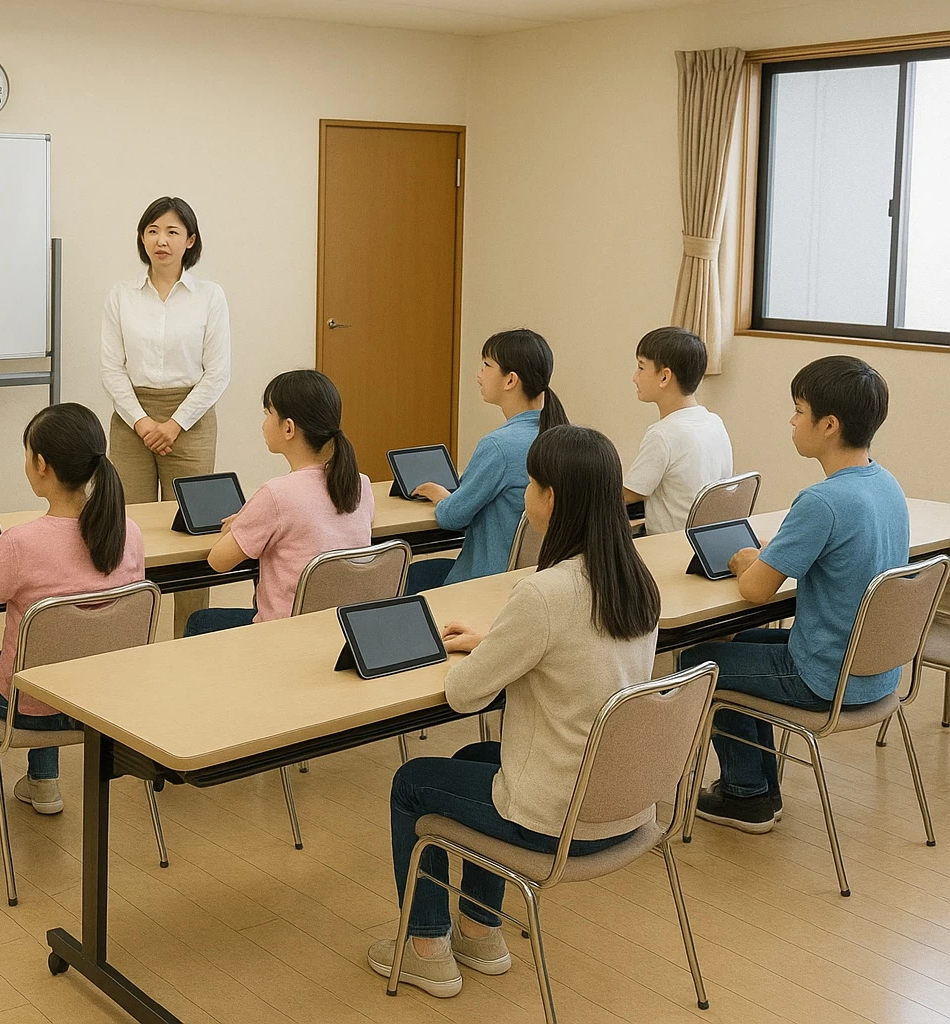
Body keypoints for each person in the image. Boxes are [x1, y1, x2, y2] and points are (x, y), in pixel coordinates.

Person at [370, 425, 660, 998]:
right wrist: (498, 642)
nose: (527, 493)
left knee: (411, 782)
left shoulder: (546, 594)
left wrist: (485, 652)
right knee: (481, 755)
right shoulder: (634, 580)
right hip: (620, 802)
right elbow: (576, 653)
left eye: (530, 483)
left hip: (557, 814)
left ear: (551, 497)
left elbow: (464, 696)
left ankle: (425, 946)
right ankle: (480, 931)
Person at [679, 355, 906, 835]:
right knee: (741, 648)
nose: (791, 420)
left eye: (798, 410)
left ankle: (747, 797)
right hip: (875, 671)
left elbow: (756, 590)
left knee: (699, 662)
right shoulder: (886, 485)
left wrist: (746, 560)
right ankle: (758, 788)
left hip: (824, 676)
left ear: (828, 425)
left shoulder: (822, 501)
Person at [0, 403, 144, 814]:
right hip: (99, 700)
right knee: (56, 659)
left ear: (40, 464)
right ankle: (43, 783)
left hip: (32, 707)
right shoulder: (128, 532)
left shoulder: (21, 543)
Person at [100, 196, 230, 634]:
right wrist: (141, 421)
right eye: (153, 230)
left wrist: (174, 424)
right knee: (128, 530)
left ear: (190, 241)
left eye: (173, 232)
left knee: (193, 531)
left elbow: (217, 373)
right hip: (130, 416)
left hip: (190, 419)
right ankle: (128, 631)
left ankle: (190, 633)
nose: (162, 240)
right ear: (142, 237)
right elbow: (110, 368)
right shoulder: (121, 295)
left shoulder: (210, 296)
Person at [184, 369, 374, 635]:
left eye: (267, 414)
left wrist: (246, 524)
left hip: (284, 636)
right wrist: (255, 522)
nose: (263, 424)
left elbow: (218, 562)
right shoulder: (360, 484)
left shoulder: (276, 495)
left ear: (288, 428)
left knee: (200, 621)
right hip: (342, 629)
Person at [404, 329, 567, 592]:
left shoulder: (499, 447)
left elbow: (453, 517)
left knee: (407, 576)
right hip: (534, 580)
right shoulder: (559, 434)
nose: (479, 375)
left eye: (486, 366)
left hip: (484, 582)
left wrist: (441, 496)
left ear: (510, 380)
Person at [622, 326, 733, 535]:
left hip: (668, 544)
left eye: (641, 367)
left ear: (664, 377)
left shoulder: (662, 435)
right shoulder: (714, 422)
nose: (634, 377)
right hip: (704, 542)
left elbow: (630, 494)